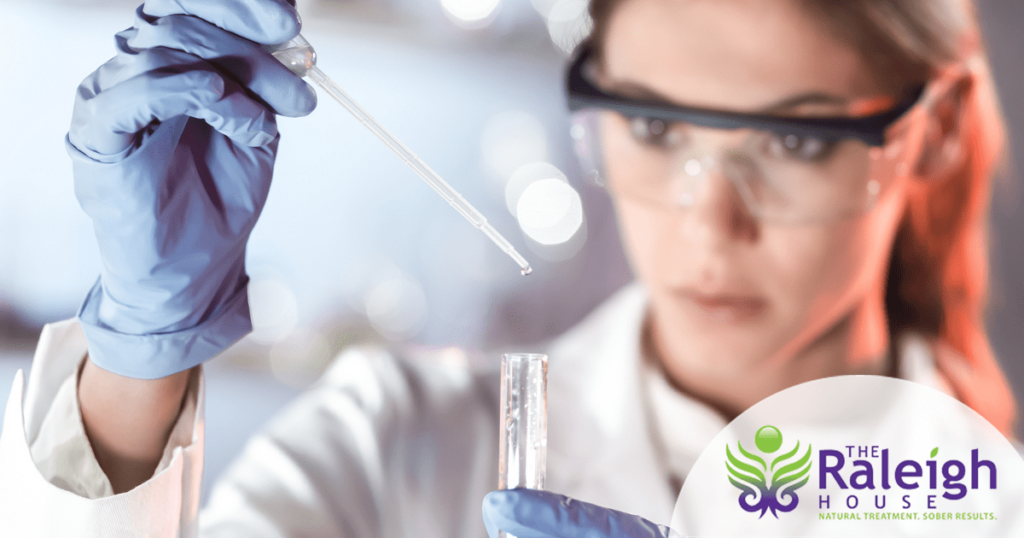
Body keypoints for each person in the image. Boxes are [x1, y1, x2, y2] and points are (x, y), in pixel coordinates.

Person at [0, 0, 1015, 536]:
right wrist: (139, 352)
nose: (710, 221)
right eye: (654, 125)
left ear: (923, 136)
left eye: (793, 142)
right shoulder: (397, 439)